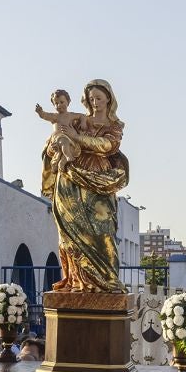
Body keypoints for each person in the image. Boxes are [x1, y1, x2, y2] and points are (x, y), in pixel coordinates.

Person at [46, 79, 131, 292]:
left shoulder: (115, 125)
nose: (95, 102)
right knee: (71, 230)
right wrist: (58, 145)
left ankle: (107, 280)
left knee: (103, 230)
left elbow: (108, 145)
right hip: (70, 177)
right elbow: (55, 141)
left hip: (99, 177)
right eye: (91, 98)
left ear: (109, 99)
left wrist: (78, 138)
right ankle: (77, 281)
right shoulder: (78, 119)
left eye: (99, 98)